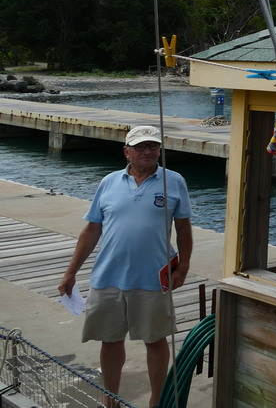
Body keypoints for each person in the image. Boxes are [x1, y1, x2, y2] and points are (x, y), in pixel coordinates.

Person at [58, 125, 193, 408]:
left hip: (154, 278)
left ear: (159, 150)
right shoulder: (108, 182)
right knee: (109, 340)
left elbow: (183, 228)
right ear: (126, 151)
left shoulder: (174, 181)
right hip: (108, 276)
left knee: (155, 341)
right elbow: (92, 230)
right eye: (141, 146)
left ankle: (155, 401)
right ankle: (111, 399)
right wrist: (70, 272)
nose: (147, 151)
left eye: (153, 146)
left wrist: (184, 267)